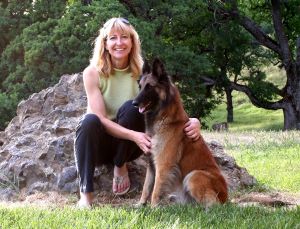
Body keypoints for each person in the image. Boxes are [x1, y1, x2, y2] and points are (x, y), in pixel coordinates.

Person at [74, 17, 201, 208]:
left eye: (124, 37)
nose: (119, 43)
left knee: (134, 109)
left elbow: (167, 103)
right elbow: (100, 118)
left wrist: (193, 121)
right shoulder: (92, 72)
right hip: (101, 143)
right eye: (113, 38)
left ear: (132, 41)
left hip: (129, 147)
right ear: (105, 44)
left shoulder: (142, 72)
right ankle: (86, 195)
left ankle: (120, 164)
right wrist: (134, 135)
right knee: (89, 121)